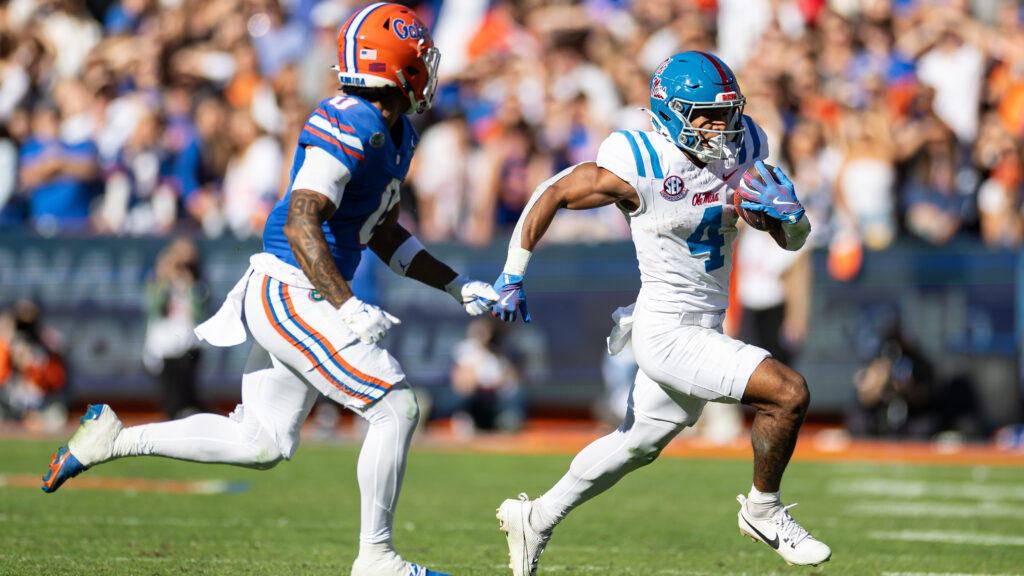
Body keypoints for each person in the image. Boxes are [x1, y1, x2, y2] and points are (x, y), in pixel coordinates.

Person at [41, 5, 498, 576]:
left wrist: (458, 287)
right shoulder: (351, 119)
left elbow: (381, 233)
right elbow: (300, 220)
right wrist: (347, 304)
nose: (429, 68)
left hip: (302, 292)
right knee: (395, 405)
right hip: (292, 289)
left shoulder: (397, 132)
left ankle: (111, 440)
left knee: (260, 442)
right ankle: (376, 559)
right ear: (397, 67)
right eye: (420, 58)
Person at [491, 51, 831, 575]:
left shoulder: (746, 144)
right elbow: (554, 191)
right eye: (706, 116)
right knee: (788, 393)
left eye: (727, 113)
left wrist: (795, 220)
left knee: (636, 445)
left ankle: (535, 516)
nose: (722, 127)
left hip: (706, 323)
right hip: (667, 330)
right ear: (670, 113)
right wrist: (513, 271)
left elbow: (789, 239)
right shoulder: (641, 162)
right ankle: (764, 510)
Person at [142, 237, 209, 419]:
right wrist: (164, 277)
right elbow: (154, 307)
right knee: (170, 392)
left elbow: (200, 311)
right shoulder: (160, 284)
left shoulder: (196, 283)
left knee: (187, 390)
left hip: (188, 342)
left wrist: (188, 283)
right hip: (165, 343)